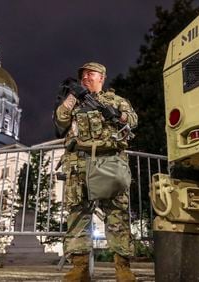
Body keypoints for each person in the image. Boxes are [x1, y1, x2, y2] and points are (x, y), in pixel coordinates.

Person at [54, 62, 138, 282]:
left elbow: (133, 120)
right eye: (83, 75)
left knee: (117, 216)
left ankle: (123, 269)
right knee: (77, 216)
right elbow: (61, 119)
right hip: (79, 162)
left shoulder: (116, 100)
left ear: (101, 77)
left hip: (109, 160)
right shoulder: (74, 100)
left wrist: (116, 115)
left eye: (90, 74)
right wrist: (73, 96)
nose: (86, 78)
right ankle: (80, 269)